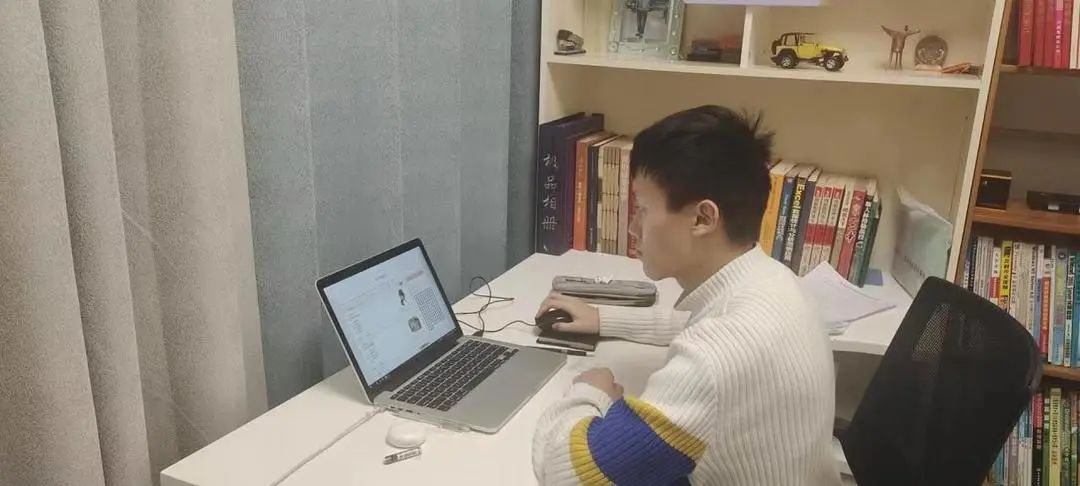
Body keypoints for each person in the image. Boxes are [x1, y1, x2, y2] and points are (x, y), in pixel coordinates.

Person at [531, 105, 840, 485]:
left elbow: (567, 475)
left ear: (703, 219)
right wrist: (603, 318)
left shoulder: (716, 355)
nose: (633, 227)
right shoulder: (774, 282)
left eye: (643, 209)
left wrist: (588, 392)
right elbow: (697, 323)